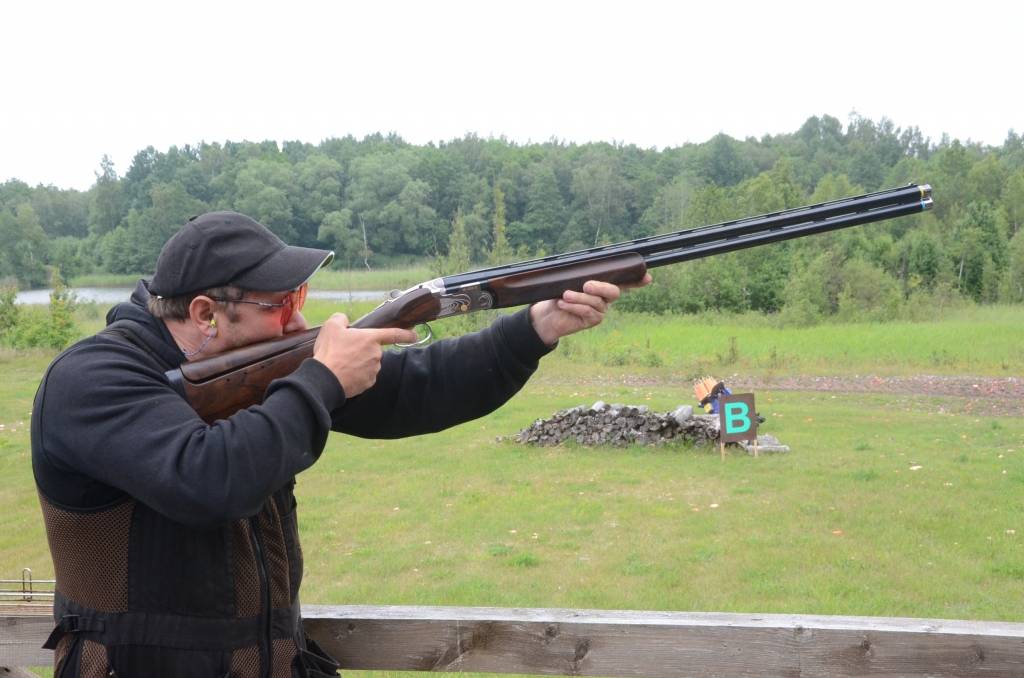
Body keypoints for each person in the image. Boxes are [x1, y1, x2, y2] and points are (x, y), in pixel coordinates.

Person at [31, 210, 649, 678]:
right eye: (282, 304)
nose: (301, 322)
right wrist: (321, 379)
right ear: (205, 313)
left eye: (299, 299)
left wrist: (537, 327)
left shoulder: (257, 375)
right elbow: (208, 479)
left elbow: (421, 387)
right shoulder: (92, 380)